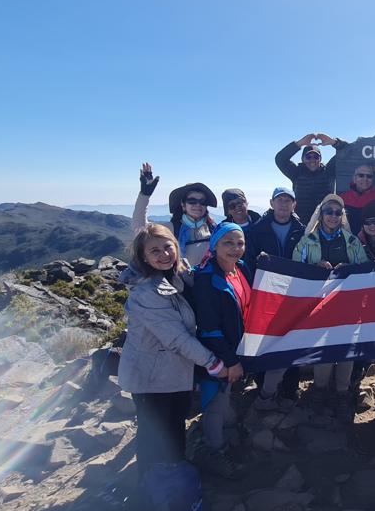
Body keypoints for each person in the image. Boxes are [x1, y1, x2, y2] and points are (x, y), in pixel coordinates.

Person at [118, 224, 223, 481]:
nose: (164, 254)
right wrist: (212, 362)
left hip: (172, 373)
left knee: (174, 427)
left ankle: (174, 479)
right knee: (156, 435)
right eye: (155, 250)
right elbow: (176, 338)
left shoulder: (176, 277)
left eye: (168, 247)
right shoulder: (146, 293)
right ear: (143, 256)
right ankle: (155, 490)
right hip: (151, 377)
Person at [294, 194, 368, 420]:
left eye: (338, 213)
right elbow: (295, 268)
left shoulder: (352, 242)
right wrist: (315, 268)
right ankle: (320, 389)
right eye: (329, 212)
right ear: (321, 214)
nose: (333, 216)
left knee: (346, 349)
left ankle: (342, 392)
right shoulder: (307, 241)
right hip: (318, 306)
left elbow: (364, 270)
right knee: (322, 347)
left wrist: (350, 269)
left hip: (347, 305)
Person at [191, 223, 252, 479]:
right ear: (214, 245)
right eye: (228, 243)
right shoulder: (205, 279)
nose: (235, 249)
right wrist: (230, 360)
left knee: (225, 393)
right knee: (214, 400)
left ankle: (228, 427)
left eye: (239, 243)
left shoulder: (240, 269)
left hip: (235, 348)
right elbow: (209, 328)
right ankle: (214, 451)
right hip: (216, 353)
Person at [245, 187, 306, 410]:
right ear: (271, 203)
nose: (283, 205)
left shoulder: (302, 230)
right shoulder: (257, 230)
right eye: (279, 201)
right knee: (264, 340)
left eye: (288, 201)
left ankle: (290, 388)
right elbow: (247, 260)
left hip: (294, 295)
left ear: (294, 205)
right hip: (265, 296)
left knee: (293, 339)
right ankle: (263, 385)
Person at [133, 163, 217, 267]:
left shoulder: (213, 228)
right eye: (192, 201)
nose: (198, 205)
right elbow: (140, 228)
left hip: (208, 280)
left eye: (202, 201)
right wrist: (145, 195)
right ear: (183, 205)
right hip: (181, 281)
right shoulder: (171, 228)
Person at [275, 132, 348, 225]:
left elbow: (347, 151)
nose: (312, 160)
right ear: (303, 159)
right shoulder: (296, 172)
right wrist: (299, 144)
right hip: (301, 223)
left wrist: (334, 142)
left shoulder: (329, 171)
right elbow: (280, 159)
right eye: (308, 156)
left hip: (326, 222)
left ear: (320, 159)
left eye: (316, 156)